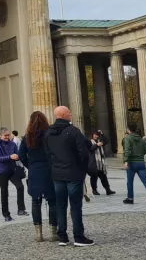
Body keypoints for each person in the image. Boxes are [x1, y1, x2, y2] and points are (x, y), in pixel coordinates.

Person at [43, 106, 95, 247]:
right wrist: (82, 168)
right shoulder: (73, 132)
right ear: (65, 115)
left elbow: (47, 154)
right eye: (69, 113)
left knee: (60, 205)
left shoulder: (48, 133)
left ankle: (62, 237)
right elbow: (83, 153)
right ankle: (78, 237)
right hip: (73, 173)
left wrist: (53, 168)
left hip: (57, 174)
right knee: (75, 206)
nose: (71, 114)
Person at [19, 111, 57, 242]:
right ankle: (53, 231)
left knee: (36, 201)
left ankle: (38, 234)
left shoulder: (27, 137)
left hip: (35, 171)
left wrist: (31, 166)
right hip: (49, 170)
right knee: (52, 201)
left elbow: (22, 156)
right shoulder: (49, 135)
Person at [121, 122, 146, 205]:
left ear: (128, 129)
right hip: (141, 162)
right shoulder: (141, 139)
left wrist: (126, 161)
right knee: (145, 181)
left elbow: (127, 150)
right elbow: (145, 150)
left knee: (130, 181)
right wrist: (139, 155)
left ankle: (130, 198)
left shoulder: (128, 138)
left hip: (131, 162)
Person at [0, 127, 26, 221]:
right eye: (5, 135)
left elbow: (17, 154)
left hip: (12, 170)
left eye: (8, 135)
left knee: (20, 187)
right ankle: (6, 214)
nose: (7, 137)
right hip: (2, 172)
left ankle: (21, 209)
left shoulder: (13, 144)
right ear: (0, 136)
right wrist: (10, 157)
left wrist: (17, 157)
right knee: (4, 193)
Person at [88, 131, 115, 196]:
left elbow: (106, 141)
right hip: (93, 162)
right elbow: (90, 149)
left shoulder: (99, 141)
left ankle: (108, 190)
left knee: (103, 176)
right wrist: (97, 145)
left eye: (97, 135)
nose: (96, 136)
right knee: (94, 177)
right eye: (95, 134)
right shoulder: (89, 142)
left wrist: (102, 134)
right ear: (92, 135)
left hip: (100, 163)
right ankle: (94, 190)